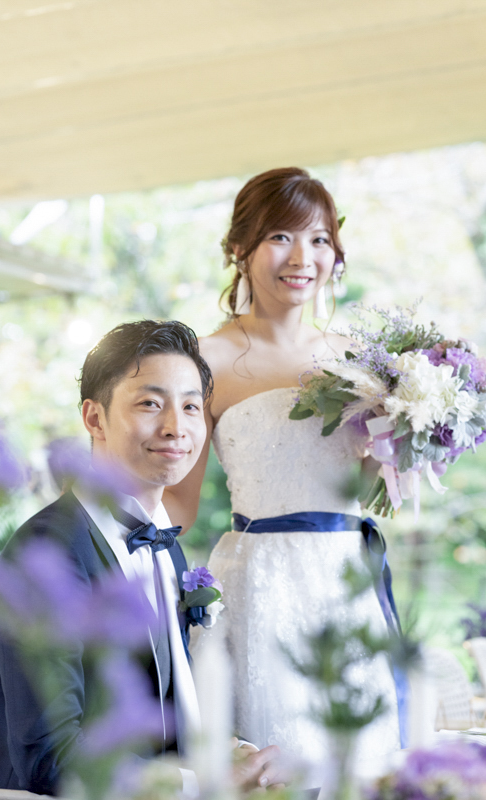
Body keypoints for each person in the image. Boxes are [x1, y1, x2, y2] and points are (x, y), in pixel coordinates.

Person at [0, 320, 284, 796]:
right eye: (150, 404)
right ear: (94, 418)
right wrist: (198, 784)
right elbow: (50, 761)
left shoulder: (167, 545)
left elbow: (166, 710)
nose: (175, 427)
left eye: (190, 407)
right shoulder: (47, 555)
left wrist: (232, 755)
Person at [163, 168, 403, 779]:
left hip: (347, 583)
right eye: (280, 237)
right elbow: (178, 509)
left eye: (319, 239)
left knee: (357, 766)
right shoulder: (205, 359)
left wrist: (408, 436)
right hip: (259, 583)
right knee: (273, 767)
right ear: (239, 248)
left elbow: (368, 487)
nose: (302, 258)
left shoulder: (358, 358)